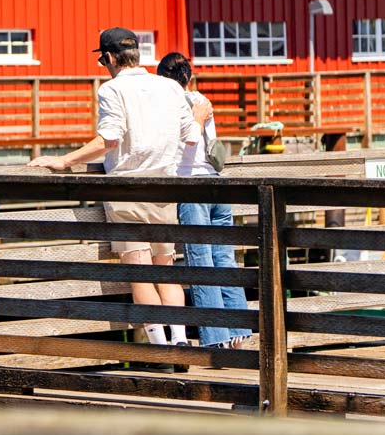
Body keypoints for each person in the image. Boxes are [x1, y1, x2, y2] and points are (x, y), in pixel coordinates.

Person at [29, 27, 200, 344]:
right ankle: (179, 340)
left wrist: (64, 160)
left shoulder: (112, 90)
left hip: (126, 190)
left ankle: (159, 347)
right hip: (166, 188)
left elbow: (109, 139)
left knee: (140, 274)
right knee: (166, 271)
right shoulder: (170, 87)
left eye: (102, 60)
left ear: (108, 57)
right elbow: (191, 135)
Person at [156, 51, 249, 346]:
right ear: (190, 77)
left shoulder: (168, 106)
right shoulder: (202, 100)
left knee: (201, 262)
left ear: (162, 81)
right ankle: (239, 332)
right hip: (216, 183)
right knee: (224, 259)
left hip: (191, 185)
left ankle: (216, 339)